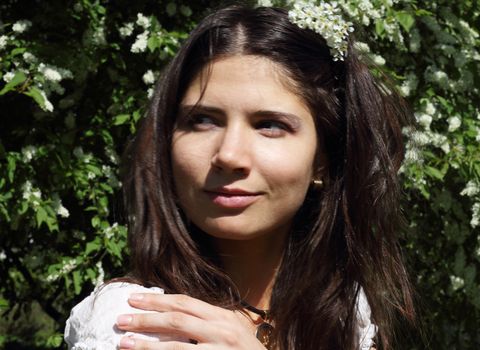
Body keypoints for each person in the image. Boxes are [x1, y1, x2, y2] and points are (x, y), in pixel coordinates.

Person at [65, 4, 414, 350]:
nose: (229, 155)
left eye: (270, 125)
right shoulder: (136, 322)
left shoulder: (346, 313)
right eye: (202, 120)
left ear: (323, 160)